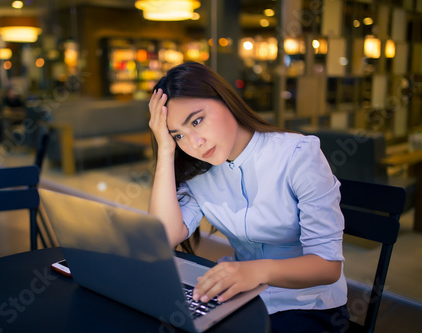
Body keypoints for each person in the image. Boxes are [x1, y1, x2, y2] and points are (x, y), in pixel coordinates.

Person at [147, 62, 350, 333]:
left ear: (225, 100)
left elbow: (327, 266)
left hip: (307, 305)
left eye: (197, 121)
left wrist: (254, 272)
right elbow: (163, 237)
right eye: (179, 135)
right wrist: (165, 150)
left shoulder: (298, 155)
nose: (194, 143)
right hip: (240, 297)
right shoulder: (198, 171)